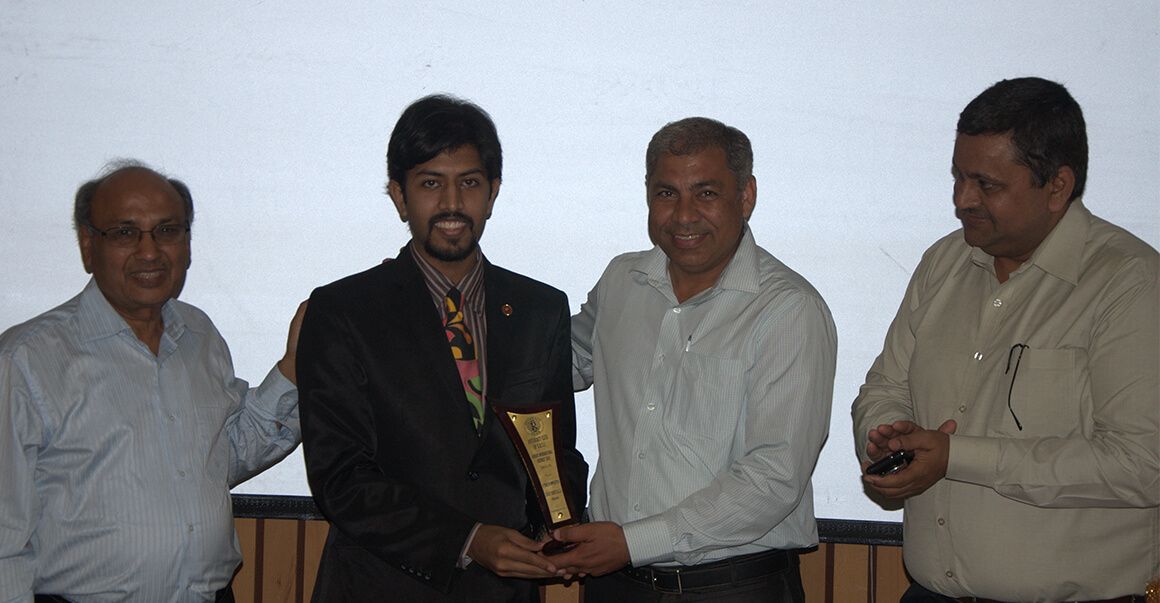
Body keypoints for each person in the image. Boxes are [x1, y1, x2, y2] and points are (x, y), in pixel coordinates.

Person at [852, 77, 1159, 601]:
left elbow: (1142, 464)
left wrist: (956, 456)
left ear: (1057, 187)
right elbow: (884, 385)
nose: (961, 200)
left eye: (986, 184)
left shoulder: (1129, 283)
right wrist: (887, 437)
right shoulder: (942, 263)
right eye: (957, 177)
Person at [297, 94, 587, 602]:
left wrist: (558, 527)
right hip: (380, 587)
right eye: (431, 183)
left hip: (505, 591)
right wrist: (469, 540)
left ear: (493, 192)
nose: (452, 203)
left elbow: (553, 450)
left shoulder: (541, 309)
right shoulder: (342, 311)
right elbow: (340, 479)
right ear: (398, 195)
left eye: (469, 183)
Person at [559, 117, 837, 601]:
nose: (684, 215)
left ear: (746, 196)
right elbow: (555, 366)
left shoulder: (789, 309)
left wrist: (633, 543)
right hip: (615, 586)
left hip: (732, 586)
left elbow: (774, 478)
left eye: (706, 193)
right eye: (666, 194)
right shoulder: (621, 282)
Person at [0, 162, 304, 602]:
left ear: (187, 244)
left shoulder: (200, 336)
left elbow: (220, 457)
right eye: (125, 233)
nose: (150, 251)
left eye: (167, 231)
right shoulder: (26, 359)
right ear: (89, 245)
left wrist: (294, 369)